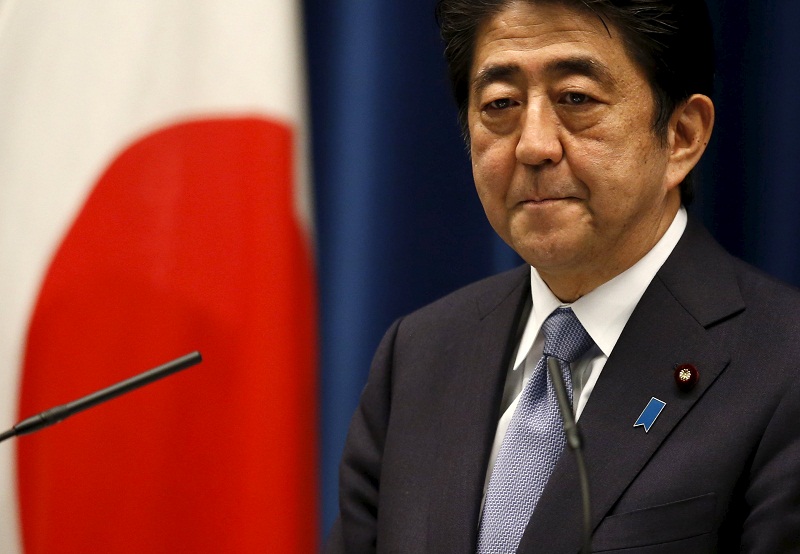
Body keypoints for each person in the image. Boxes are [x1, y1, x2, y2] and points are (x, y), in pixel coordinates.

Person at [325, 0, 800, 552]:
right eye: (501, 104)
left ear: (681, 135)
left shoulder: (783, 365)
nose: (533, 146)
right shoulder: (418, 355)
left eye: (576, 98)